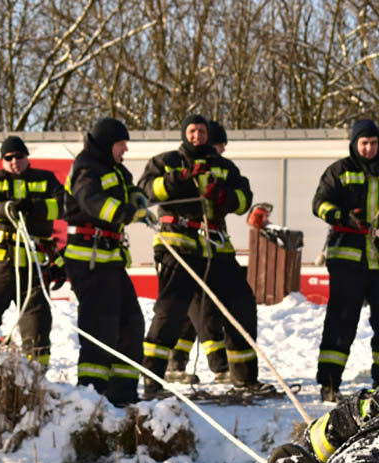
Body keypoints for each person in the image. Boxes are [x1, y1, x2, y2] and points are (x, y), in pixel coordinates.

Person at [138, 114, 272, 397]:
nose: (196, 135)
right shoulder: (166, 161)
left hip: (216, 248)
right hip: (178, 246)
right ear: (184, 133)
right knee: (169, 312)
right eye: (191, 130)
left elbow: (244, 199)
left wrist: (223, 195)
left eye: (201, 131)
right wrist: (180, 179)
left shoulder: (223, 167)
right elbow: (147, 191)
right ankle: (152, 380)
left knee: (241, 305)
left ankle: (245, 379)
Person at [311, 118, 379, 401]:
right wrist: (343, 216)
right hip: (348, 255)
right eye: (363, 143)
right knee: (341, 319)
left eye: (373, 142)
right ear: (355, 143)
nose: (369, 148)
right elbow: (319, 204)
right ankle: (330, 382)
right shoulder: (339, 170)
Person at [61, 118, 150, 406]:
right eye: (121, 144)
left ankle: (122, 395)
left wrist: (138, 199)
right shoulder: (86, 169)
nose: (125, 149)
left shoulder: (114, 169)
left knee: (131, 325)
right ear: (106, 143)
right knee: (101, 330)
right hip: (89, 261)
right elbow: (92, 202)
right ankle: (91, 397)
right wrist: (126, 212)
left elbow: (130, 189)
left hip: (110, 261)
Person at [0, 135, 65, 363]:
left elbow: (64, 206)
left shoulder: (46, 179)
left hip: (33, 268)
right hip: (0, 264)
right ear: (2, 160)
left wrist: (34, 207)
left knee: (37, 323)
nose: (14, 162)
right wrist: (5, 209)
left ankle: (36, 377)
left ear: (26, 157)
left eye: (19, 156)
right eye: (8, 158)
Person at [165, 119, 231, 386]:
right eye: (219, 146)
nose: (221, 153)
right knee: (203, 311)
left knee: (190, 317)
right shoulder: (185, 166)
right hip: (187, 250)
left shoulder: (217, 170)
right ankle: (220, 366)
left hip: (210, 250)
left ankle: (175, 363)